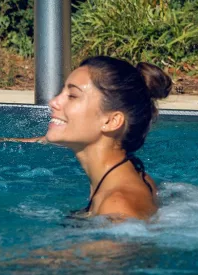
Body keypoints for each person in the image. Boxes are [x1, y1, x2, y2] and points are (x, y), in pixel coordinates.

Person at [46, 56, 171, 221]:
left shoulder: (116, 206)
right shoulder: (134, 175)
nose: (53, 102)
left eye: (72, 96)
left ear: (111, 121)